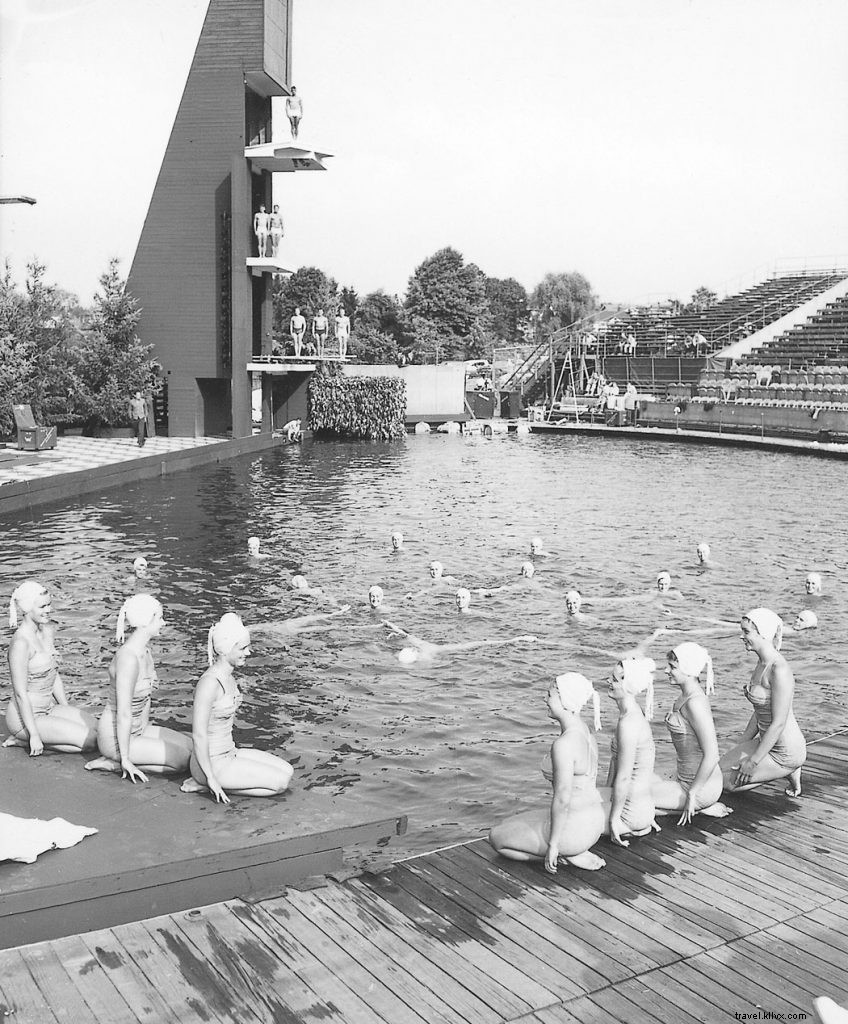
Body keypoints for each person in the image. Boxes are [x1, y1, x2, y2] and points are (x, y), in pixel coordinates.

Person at [488, 673, 606, 872]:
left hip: (573, 831)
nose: (545, 699)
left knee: (495, 837)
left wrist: (554, 845)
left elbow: (562, 798)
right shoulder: (586, 733)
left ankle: (566, 854)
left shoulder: (565, 744)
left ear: (565, 700)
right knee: (507, 822)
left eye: (549, 694)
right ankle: (571, 849)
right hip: (593, 824)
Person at [181, 614, 293, 801]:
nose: (248, 653)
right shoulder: (209, 684)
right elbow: (198, 735)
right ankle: (205, 784)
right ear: (225, 649)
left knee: (288, 770)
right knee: (280, 784)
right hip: (209, 763)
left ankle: (213, 783)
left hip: (229, 752)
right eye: (242, 648)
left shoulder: (229, 676)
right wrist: (210, 778)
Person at [87, 595, 192, 781]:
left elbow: (145, 699)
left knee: (191, 747)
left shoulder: (145, 651)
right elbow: (124, 713)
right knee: (182, 760)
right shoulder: (128, 659)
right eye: (159, 618)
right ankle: (115, 762)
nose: (163, 623)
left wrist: (144, 730)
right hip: (116, 737)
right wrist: (126, 758)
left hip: (137, 728)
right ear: (146, 621)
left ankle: (125, 757)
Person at [720, 608, 806, 797]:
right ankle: (779, 769)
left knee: (725, 784)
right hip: (765, 741)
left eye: (746, 632)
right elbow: (761, 711)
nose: (741, 636)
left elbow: (779, 722)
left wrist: (753, 761)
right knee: (716, 770)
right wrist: (742, 742)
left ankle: (789, 769)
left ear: (763, 634)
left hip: (786, 751)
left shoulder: (779, 669)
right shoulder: (761, 664)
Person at [3, 580, 97, 755]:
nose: (48, 610)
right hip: (25, 718)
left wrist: (65, 708)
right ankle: (22, 740)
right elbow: (20, 693)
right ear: (27, 608)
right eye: (42, 607)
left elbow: (53, 674)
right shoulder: (20, 644)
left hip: (49, 708)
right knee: (90, 742)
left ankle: (39, 735)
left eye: (49, 604)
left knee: (99, 732)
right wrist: (34, 735)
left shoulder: (46, 631)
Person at [652, 643, 731, 823]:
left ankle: (701, 806)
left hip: (700, 786)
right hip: (683, 774)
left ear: (688, 670)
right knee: (631, 783)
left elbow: (712, 754)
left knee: (631, 799)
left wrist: (694, 793)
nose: (666, 670)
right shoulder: (683, 697)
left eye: (672, 667)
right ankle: (699, 807)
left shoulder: (695, 703)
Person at [600, 658, 660, 846]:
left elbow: (624, 777)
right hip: (641, 806)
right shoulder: (632, 713)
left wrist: (613, 819)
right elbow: (617, 763)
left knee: (569, 819)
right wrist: (605, 794)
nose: (609, 681)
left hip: (630, 812)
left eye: (615, 679)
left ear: (628, 685)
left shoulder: (628, 723)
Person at [383, 621, 537, 666]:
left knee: (477, 644)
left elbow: (406, 634)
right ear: (415, 654)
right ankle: (514, 640)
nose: (410, 647)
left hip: (436, 648)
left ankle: (514, 640)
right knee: (476, 644)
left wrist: (389, 625)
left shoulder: (420, 646)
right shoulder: (428, 655)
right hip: (443, 650)